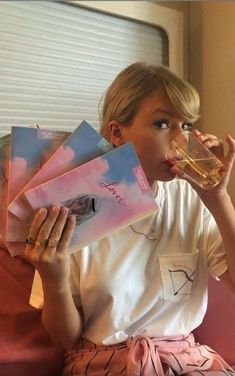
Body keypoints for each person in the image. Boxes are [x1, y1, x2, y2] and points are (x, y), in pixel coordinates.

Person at [25, 63, 235, 375]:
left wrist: (218, 198)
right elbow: (65, 338)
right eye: (163, 123)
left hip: (188, 361)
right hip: (101, 363)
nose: (181, 139)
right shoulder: (73, 208)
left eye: (188, 126)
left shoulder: (191, 197)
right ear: (117, 132)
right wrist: (54, 281)